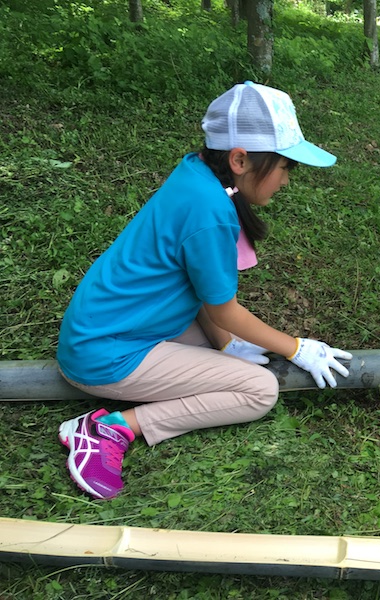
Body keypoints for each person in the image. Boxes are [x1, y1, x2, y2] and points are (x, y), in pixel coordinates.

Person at [56, 81, 352, 500]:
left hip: (114, 325)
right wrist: (297, 348)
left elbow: (203, 296)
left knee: (232, 356)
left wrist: (225, 344)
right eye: (286, 166)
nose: (287, 180)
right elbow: (226, 311)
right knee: (259, 390)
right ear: (240, 159)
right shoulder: (210, 211)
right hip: (106, 351)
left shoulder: (196, 174)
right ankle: (109, 429)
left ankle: (197, 368)